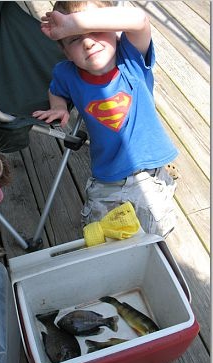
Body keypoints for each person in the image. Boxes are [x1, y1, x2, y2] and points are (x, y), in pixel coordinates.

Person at [32, 1, 178, 237]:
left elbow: (139, 20)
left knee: (154, 235)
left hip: (148, 172)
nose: (88, 42)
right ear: (66, 53)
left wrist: (71, 25)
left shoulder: (130, 58)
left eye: (95, 31)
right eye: (74, 39)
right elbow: (55, 89)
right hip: (105, 175)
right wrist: (58, 107)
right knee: (99, 233)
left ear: (116, 31)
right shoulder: (66, 73)